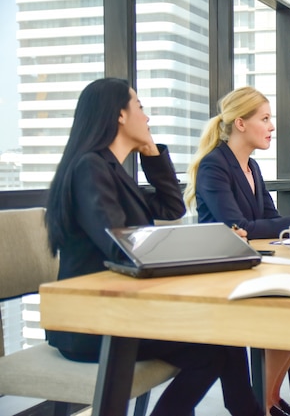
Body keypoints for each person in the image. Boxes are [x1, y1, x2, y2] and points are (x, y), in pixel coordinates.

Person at [45, 78, 264, 416]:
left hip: (119, 311)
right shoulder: (90, 167)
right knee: (218, 343)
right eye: (140, 107)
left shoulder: (111, 170)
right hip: (92, 323)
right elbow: (121, 247)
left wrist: (151, 154)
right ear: (120, 114)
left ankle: (247, 411)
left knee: (225, 334)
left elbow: (171, 209)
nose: (146, 118)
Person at [184, 86, 290, 416]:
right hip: (221, 275)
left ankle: (268, 400)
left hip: (251, 265)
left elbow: (266, 220)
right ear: (240, 123)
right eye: (266, 119)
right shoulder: (215, 167)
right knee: (285, 313)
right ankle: (263, 404)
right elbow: (237, 224)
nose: (272, 127)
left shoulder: (251, 167)